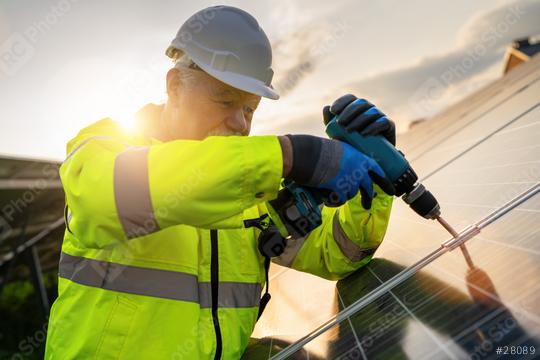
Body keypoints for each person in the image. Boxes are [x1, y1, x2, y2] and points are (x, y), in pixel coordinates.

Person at [44, 5, 397, 359]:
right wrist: (288, 156)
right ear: (175, 87)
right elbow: (110, 199)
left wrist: (374, 178)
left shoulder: (251, 190)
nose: (241, 124)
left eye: (249, 109)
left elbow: (338, 256)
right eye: (225, 100)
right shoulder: (103, 151)